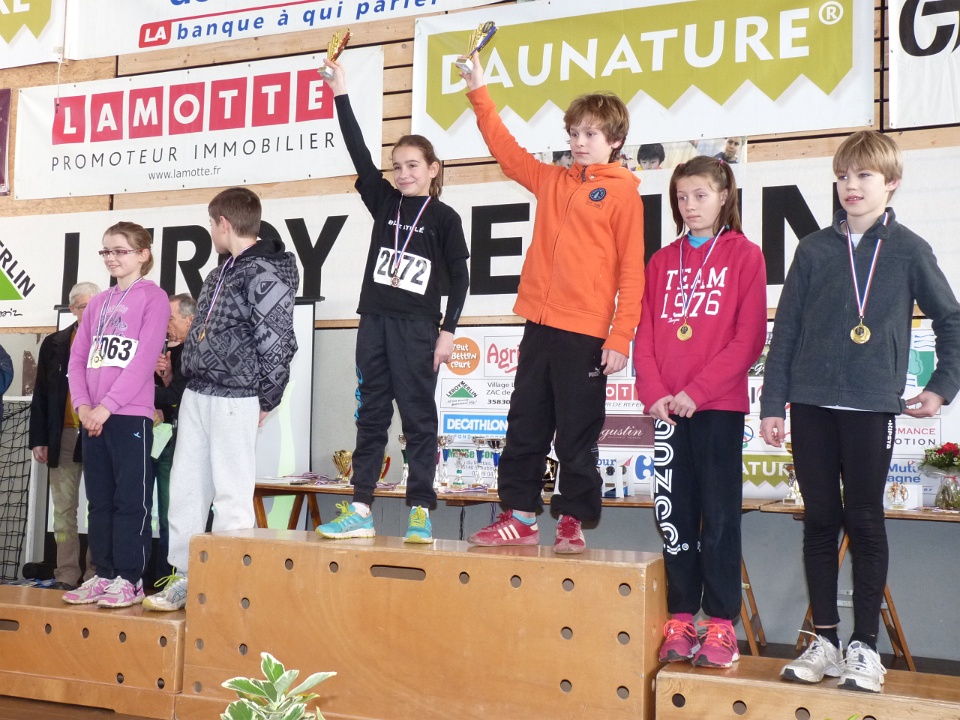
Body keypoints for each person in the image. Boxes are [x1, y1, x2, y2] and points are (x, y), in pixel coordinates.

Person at [760, 130, 960, 692]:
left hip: (871, 406)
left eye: (864, 175)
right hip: (811, 404)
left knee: (865, 520)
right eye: (844, 176)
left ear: (891, 182)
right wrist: (773, 403)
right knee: (820, 521)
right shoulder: (814, 249)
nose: (851, 185)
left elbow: (951, 320)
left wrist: (942, 386)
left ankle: (865, 647)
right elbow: (787, 330)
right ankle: (824, 639)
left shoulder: (910, 249)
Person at [460, 53, 645, 553]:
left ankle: (572, 520)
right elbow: (506, 151)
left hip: (586, 333)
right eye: (574, 133)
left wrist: (620, 336)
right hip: (538, 324)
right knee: (525, 425)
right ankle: (520, 517)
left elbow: (632, 272)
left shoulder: (624, 195)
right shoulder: (552, 180)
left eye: (591, 134)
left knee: (577, 434)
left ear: (615, 141)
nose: (580, 142)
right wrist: (479, 90)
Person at [313, 58, 469, 544]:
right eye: (397, 166)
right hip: (374, 322)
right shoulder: (384, 202)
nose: (402, 173)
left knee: (419, 419)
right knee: (371, 416)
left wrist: (448, 332)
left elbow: (462, 279)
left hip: (418, 328)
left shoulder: (444, 218)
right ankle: (361, 507)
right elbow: (358, 151)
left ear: (433, 169)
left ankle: (420, 509)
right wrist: (340, 92)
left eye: (412, 165)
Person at [634, 156, 767, 668]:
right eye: (682, 197)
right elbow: (645, 334)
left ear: (724, 196)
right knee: (675, 516)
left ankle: (721, 625)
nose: (689, 206)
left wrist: (698, 390)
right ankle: (682, 616)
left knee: (719, 517)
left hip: (717, 407)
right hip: (668, 410)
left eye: (700, 195)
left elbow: (748, 339)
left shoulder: (745, 256)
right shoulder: (661, 261)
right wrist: (654, 392)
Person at [143, 187, 298, 612]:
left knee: (231, 493)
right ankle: (185, 577)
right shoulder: (220, 270)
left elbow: (278, 339)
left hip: (237, 395)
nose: (211, 231)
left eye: (212, 224)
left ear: (223, 224)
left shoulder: (266, 272)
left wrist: (267, 397)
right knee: (186, 490)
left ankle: (231, 586)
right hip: (198, 392)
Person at [62, 223, 170, 608]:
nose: (111, 258)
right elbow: (78, 359)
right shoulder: (97, 303)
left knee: (130, 500)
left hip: (127, 415)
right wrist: (83, 407)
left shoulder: (153, 298)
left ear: (143, 254)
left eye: (120, 251)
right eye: (106, 251)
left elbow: (143, 361)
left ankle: (130, 579)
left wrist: (106, 407)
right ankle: (104, 573)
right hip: (93, 417)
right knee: (99, 501)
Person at [28, 281, 101, 590]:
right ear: (72, 309)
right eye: (85, 307)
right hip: (65, 434)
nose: (92, 312)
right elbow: (41, 393)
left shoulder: (111, 341)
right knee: (63, 510)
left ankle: (97, 574)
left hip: (99, 433)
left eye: (97, 305)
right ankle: (66, 573)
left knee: (100, 506)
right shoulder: (55, 343)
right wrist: (39, 438)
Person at [151, 293, 195, 580]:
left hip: (184, 444)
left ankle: (173, 577)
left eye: (170, 319)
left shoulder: (198, 351)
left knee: (173, 512)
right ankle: (162, 575)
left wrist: (133, 391)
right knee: (162, 511)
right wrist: (165, 377)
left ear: (190, 320)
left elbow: (178, 398)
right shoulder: (173, 352)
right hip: (166, 438)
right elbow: (174, 396)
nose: (165, 325)